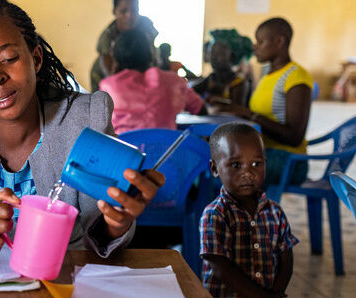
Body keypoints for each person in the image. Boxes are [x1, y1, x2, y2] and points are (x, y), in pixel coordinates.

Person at [0, 0, 164, 256]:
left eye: (8, 58)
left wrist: (116, 223)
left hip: (58, 278)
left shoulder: (83, 118)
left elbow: (98, 226)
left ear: (36, 58)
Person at [200, 123, 297, 298]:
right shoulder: (215, 214)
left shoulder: (274, 212)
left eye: (257, 164)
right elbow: (221, 267)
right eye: (235, 165)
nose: (248, 173)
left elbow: (286, 259)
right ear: (214, 168)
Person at [220, 18, 312, 187]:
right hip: (263, 153)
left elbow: (295, 137)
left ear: (279, 41)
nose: (255, 47)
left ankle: (229, 214)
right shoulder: (268, 75)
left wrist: (251, 115)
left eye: (260, 41)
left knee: (222, 171)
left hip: (288, 160)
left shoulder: (296, 76)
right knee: (210, 161)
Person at [99, 29, 204, 134]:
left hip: (123, 149)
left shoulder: (109, 86)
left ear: (116, 57)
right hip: (167, 149)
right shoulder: (174, 81)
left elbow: (100, 127)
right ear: (152, 55)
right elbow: (200, 109)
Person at [89, 0, 158, 92]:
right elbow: (109, 71)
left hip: (140, 71)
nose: (129, 16)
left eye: (134, 10)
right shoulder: (108, 36)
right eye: (123, 11)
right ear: (114, 11)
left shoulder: (146, 26)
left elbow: (153, 57)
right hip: (113, 78)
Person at [191, 29, 254, 107]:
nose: (213, 57)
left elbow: (238, 109)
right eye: (211, 53)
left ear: (233, 57)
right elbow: (190, 92)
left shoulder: (239, 83)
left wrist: (217, 100)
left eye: (220, 54)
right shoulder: (212, 78)